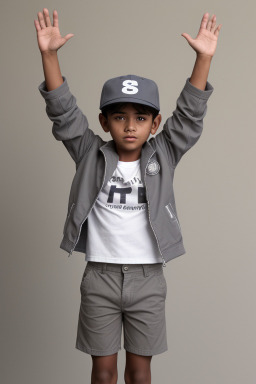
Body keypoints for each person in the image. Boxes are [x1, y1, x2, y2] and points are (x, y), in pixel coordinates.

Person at [35, 8, 221, 384]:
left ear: (155, 124)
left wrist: (203, 58)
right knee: (103, 375)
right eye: (119, 117)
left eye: (140, 118)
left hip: (148, 279)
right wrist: (49, 56)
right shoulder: (90, 153)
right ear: (104, 122)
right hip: (99, 277)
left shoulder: (164, 154)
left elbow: (189, 117)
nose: (130, 126)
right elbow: (64, 114)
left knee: (140, 373)